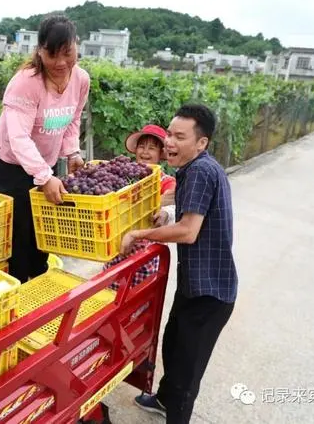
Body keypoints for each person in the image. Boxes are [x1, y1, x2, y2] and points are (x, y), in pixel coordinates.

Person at [120, 104, 238, 424]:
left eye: (179, 137)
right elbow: (187, 215)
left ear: (201, 143)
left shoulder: (200, 170)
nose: (169, 142)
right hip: (195, 284)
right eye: (169, 134)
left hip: (210, 292)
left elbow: (188, 232)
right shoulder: (193, 169)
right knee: (173, 346)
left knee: (187, 367)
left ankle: (177, 414)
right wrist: (165, 216)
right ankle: (163, 399)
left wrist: (140, 233)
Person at [0, 15, 90, 283]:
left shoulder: (81, 79)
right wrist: (44, 177)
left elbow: (73, 118)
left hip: (46, 162)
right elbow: (18, 137)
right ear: (39, 51)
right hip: (11, 163)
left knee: (43, 226)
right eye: (51, 54)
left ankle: (39, 277)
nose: (60, 63)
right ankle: (18, 287)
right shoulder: (26, 82)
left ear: (76, 46)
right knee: (18, 231)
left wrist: (73, 152)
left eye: (67, 53)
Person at [105, 124, 176, 289]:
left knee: (139, 299)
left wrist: (165, 212)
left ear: (160, 154)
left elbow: (172, 205)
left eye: (152, 148)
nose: (145, 152)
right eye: (142, 147)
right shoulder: (124, 178)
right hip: (120, 246)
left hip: (145, 252)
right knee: (110, 295)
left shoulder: (167, 181)